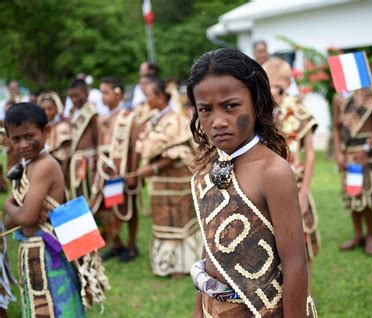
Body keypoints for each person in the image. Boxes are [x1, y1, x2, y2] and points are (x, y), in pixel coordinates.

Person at [188, 48, 316, 317]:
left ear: (257, 104)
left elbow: (295, 264)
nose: (218, 121)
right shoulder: (211, 163)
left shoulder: (273, 172)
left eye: (230, 106)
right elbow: (210, 247)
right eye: (205, 110)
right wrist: (200, 310)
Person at [3, 103, 86, 317]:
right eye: (16, 139)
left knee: (55, 306)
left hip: (48, 253)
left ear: (46, 132)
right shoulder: (28, 165)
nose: (23, 144)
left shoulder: (44, 165)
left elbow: (28, 217)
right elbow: (12, 221)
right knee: (38, 305)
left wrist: (7, 204)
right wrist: (16, 211)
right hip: (31, 251)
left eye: (29, 136)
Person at [135, 78, 201, 277]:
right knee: (164, 220)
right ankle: (167, 263)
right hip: (162, 182)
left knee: (179, 220)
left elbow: (179, 151)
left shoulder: (174, 120)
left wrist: (153, 168)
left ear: (161, 97)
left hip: (177, 180)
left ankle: (181, 265)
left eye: (149, 95)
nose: (147, 99)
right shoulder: (155, 118)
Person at [263, 58, 320, 263]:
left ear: (287, 85)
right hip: (267, 186)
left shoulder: (298, 111)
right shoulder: (260, 113)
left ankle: (306, 294)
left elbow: (310, 153)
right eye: (268, 85)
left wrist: (304, 192)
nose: (273, 91)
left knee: (302, 245)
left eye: (277, 86)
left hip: (295, 184)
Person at [90, 77, 140, 262]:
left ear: (117, 93)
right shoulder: (102, 118)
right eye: (101, 92)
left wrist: (132, 172)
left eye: (106, 92)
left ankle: (132, 245)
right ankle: (117, 243)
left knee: (129, 207)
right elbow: (98, 146)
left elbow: (135, 147)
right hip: (106, 170)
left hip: (124, 168)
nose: (103, 97)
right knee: (107, 208)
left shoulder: (129, 117)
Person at [332, 89, 372, 255]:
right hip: (349, 153)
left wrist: (366, 149)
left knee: (368, 194)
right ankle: (358, 235)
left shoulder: (371, 96)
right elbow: (336, 128)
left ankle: (371, 236)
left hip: (366, 154)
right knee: (352, 193)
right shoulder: (339, 98)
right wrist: (338, 152)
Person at [68, 79, 98, 201]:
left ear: (86, 93)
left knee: (88, 192)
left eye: (77, 96)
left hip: (88, 157)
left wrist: (96, 155)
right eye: (71, 97)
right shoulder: (72, 112)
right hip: (75, 157)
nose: (74, 99)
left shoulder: (91, 112)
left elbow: (97, 135)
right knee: (77, 191)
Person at [38, 91, 72, 182]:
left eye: (50, 109)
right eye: (43, 109)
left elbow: (64, 154)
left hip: (59, 168)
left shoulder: (62, 127)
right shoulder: (37, 128)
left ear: (56, 109)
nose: (46, 112)